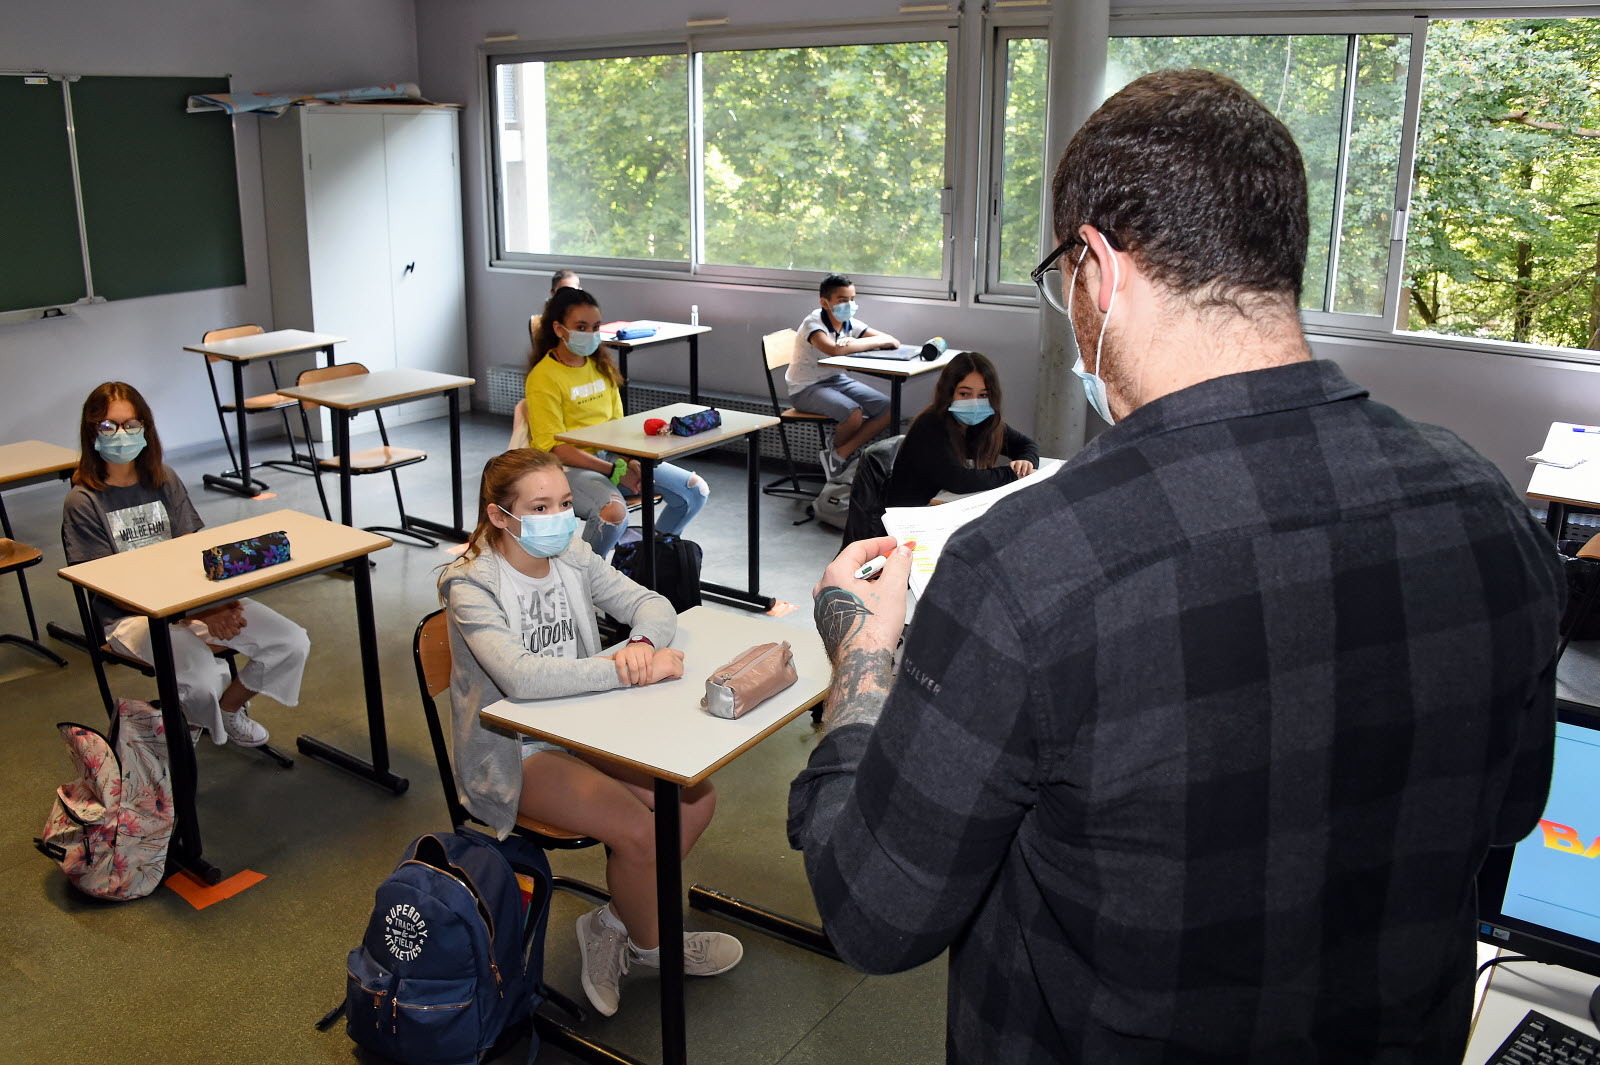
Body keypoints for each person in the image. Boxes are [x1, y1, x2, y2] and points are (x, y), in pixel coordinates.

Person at [787, 69, 1562, 1064]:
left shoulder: (1028, 566)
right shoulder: (1486, 505)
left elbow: (875, 913)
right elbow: (1504, 815)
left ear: (1098, 269)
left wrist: (863, 665)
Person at [439, 447, 741, 1017]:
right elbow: (520, 678)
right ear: (500, 516)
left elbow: (650, 604)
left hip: (582, 727)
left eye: (564, 502)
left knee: (695, 801)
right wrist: (620, 670)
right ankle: (654, 947)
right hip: (512, 751)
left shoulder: (573, 555)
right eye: (540, 506)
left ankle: (612, 924)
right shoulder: (470, 584)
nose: (559, 516)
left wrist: (643, 645)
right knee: (642, 832)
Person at [62, 382, 310, 748]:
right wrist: (202, 613)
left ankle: (225, 711)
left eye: (131, 425)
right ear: (91, 432)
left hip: (192, 599)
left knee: (290, 642)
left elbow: (192, 549)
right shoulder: (82, 501)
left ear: (145, 427)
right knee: (202, 678)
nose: (121, 435)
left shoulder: (163, 478)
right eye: (108, 426)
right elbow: (109, 587)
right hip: (131, 617)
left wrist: (216, 604)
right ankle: (186, 732)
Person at [526, 286, 708, 557]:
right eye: (581, 326)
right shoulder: (543, 378)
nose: (590, 334)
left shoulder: (601, 367)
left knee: (694, 491)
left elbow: (617, 428)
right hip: (563, 468)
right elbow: (555, 448)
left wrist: (633, 462)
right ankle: (587, 579)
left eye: (595, 326)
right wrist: (612, 469)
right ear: (559, 329)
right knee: (613, 512)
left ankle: (647, 559)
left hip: (609, 459)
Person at [884, 351, 1040, 507]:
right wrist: (1012, 474)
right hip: (910, 517)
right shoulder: (930, 424)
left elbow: (1026, 444)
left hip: (945, 507)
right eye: (964, 393)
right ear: (949, 393)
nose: (975, 403)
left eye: (983, 395)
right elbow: (958, 481)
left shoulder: (984, 421)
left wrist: (1025, 463)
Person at [790, 274, 898, 480]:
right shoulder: (813, 324)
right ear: (825, 302)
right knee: (853, 414)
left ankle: (839, 454)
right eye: (842, 300)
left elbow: (891, 341)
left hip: (836, 381)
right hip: (805, 388)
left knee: (889, 408)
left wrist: (853, 343)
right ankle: (839, 460)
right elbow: (833, 350)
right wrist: (855, 345)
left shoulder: (848, 322)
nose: (849, 305)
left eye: (852, 299)